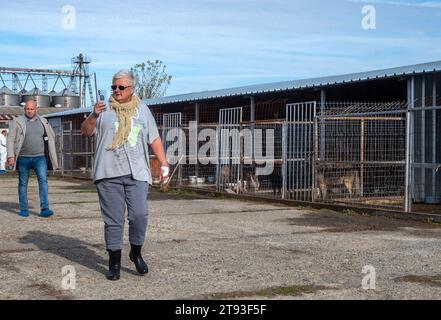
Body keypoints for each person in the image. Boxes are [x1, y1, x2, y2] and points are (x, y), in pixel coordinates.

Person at [81, 70, 169, 281]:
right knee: (114, 221)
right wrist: (93, 115)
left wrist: (164, 163)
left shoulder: (142, 110)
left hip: (137, 171)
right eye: (114, 87)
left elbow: (154, 138)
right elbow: (86, 131)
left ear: (132, 89)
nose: (117, 91)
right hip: (108, 171)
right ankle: (114, 263)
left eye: (121, 87)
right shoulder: (102, 109)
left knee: (139, 215)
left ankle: (135, 252)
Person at [6, 100, 58, 217]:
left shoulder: (44, 122)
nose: (29, 111)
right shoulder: (17, 121)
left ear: (36, 109)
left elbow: (51, 137)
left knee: (43, 181)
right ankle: (24, 208)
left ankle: (45, 208)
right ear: (25, 109)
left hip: (40, 157)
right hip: (23, 158)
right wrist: (10, 156)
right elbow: (10, 139)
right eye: (27, 109)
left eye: (32, 109)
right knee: (23, 183)